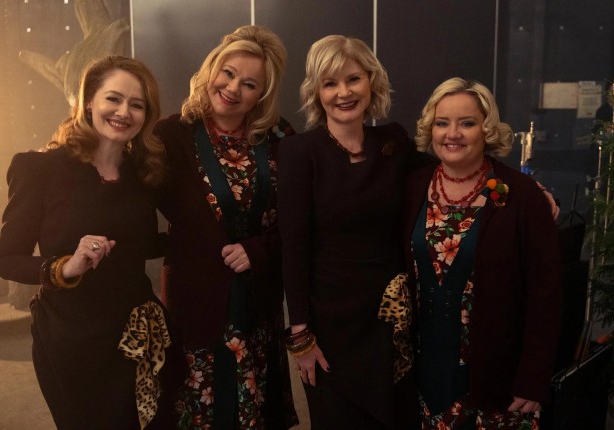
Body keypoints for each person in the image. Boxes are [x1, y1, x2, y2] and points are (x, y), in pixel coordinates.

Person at [0, 56, 172, 429]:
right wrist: (65, 266)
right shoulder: (39, 169)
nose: (123, 112)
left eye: (136, 105)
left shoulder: (143, 173)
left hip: (138, 333)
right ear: (89, 101)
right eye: (113, 99)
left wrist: (197, 240)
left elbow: (137, 246)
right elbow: (6, 259)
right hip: (71, 339)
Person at [153, 25, 297, 429]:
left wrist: (259, 249)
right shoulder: (171, 135)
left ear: (262, 94)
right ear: (211, 70)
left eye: (249, 84)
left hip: (257, 300)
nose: (233, 88)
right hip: (196, 298)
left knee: (253, 408)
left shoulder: (279, 136)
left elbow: (298, 219)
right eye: (228, 73)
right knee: (198, 408)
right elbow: (128, 196)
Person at [278, 35, 424, 429]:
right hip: (329, 329)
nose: (343, 93)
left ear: (372, 82)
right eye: (330, 83)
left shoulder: (393, 142)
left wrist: (518, 190)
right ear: (317, 92)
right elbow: (292, 248)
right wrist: (300, 337)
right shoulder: (299, 152)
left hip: (390, 322)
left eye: (353, 79)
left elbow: (451, 171)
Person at [402, 77, 563, 429]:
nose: (452, 134)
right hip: (426, 373)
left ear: (486, 130)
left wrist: (534, 378)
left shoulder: (522, 195)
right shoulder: (412, 186)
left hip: (498, 379)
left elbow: (545, 295)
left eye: (467, 123)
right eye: (442, 123)